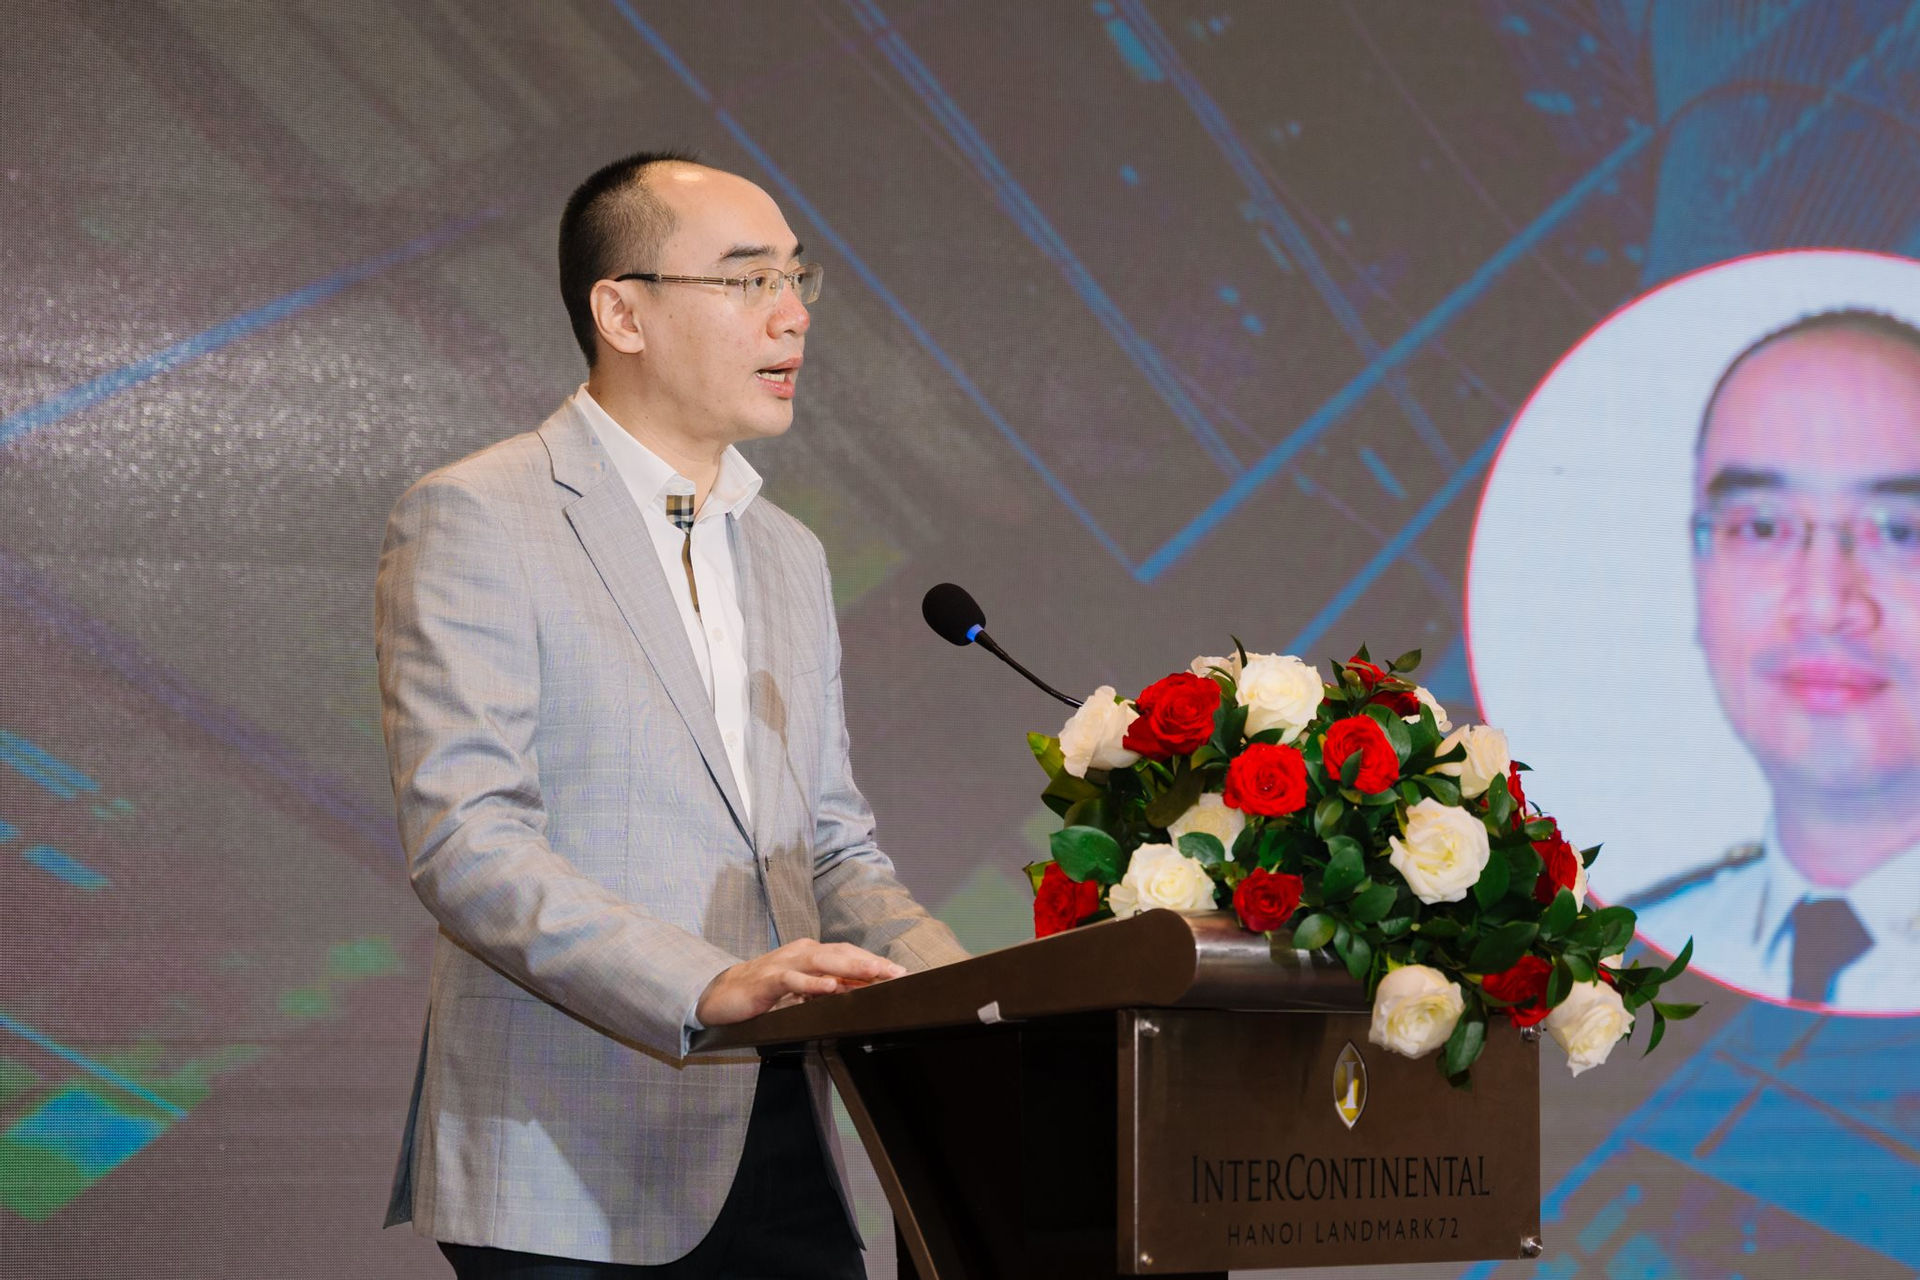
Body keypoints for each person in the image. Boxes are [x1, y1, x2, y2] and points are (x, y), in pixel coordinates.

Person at [375, 149, 969, 1276]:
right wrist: (701, 983)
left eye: (797, 277)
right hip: (567, 1152)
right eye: (748, 280)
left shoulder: (789, 553)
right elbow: (468, 841)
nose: (793, 314)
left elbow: (829, 848)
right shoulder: (479, 514)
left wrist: (973, 991)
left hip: (785, 1133)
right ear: (623, 312)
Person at [1629, 309, 1920, 1012]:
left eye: (1901, 532)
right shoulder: (1632, 954)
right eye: (1762, 526)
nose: (1823, 604)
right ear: (1699, 570)